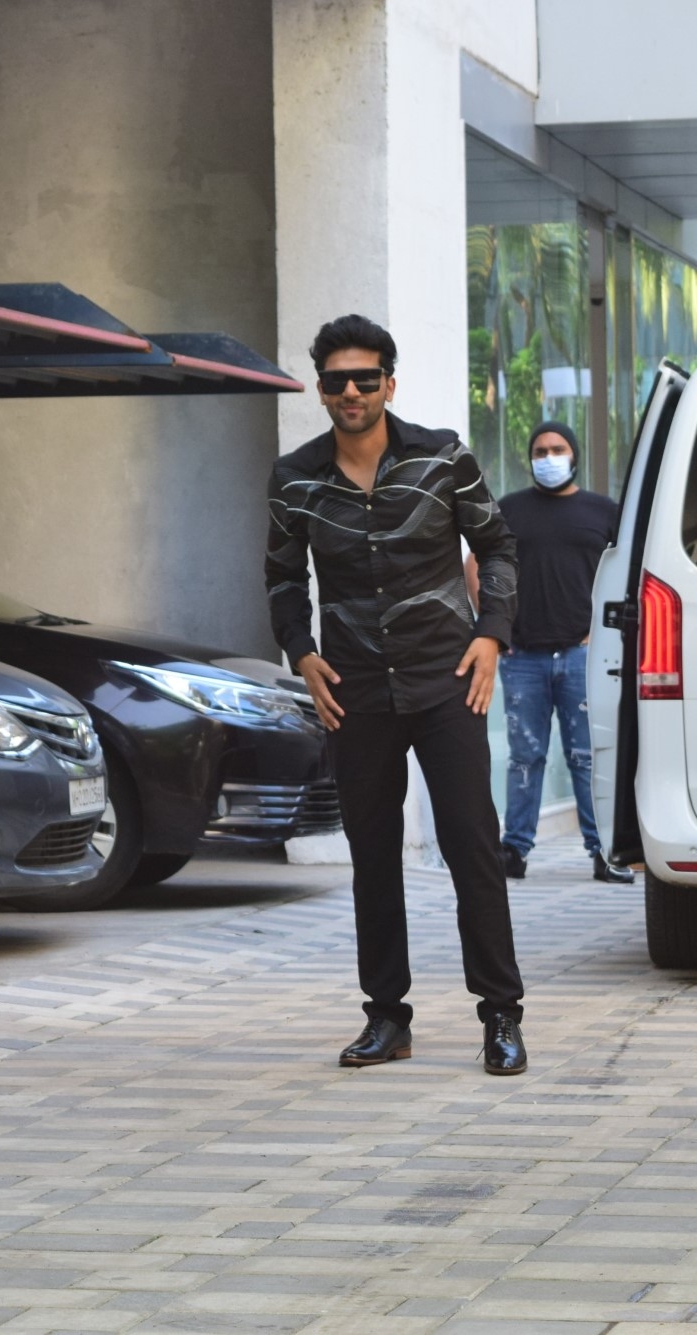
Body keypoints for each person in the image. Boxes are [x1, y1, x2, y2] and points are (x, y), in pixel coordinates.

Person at [265, 314, 529, 1076]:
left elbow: (498, 545)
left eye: (366, 378)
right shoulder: (295, 478)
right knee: (372, 854)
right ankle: (387, 1018)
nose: (352, 390)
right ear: (320, 390)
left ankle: (501, 1015)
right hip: (353, 690)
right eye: (337, 380)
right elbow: (282, 577)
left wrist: (491, 634)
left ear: (390, 383)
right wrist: (302, 652)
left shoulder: (443, 456)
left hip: (447, 681)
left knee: (472, 847)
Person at [477, 421, 632, 884]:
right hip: (522, 656)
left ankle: (602, 852)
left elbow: (630, 567)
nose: (548, 457)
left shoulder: (604, 511)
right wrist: (493, 624)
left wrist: (606, 633)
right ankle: (514, 852)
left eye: (557, 449)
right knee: (525, 756)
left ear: (574, 454)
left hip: (584, 656)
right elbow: (477, 562)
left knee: (588, 755)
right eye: (540, 450)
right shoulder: (510, 509)